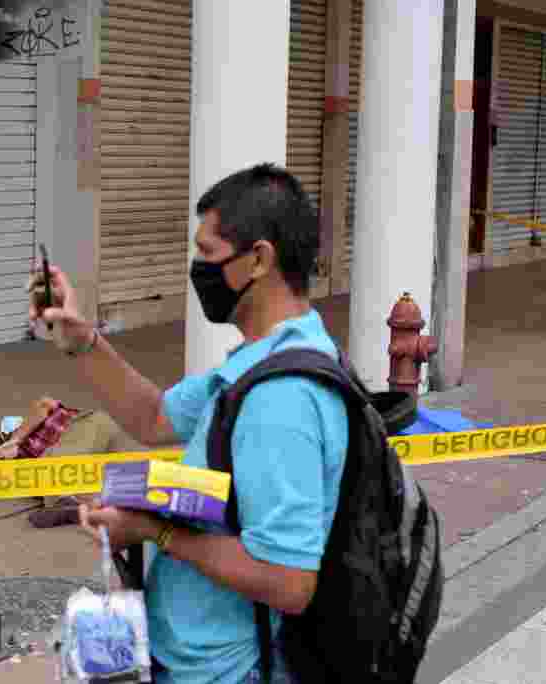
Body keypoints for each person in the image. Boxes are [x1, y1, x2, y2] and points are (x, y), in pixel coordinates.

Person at [28, 163, 349, 684]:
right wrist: (79, 339)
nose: (196, 269)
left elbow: (290, 581)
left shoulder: (282, 399)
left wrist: (154, 531)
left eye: (207, 253)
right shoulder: (258, 363)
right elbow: (154, 417)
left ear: (259, 259)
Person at [0, 396, 146, 528]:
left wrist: (17, 438)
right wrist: (10, 458)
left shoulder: (44, 415)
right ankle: (87, 510)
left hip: (87, 433)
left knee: (58, 463)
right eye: (4, 436)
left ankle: (68, 505)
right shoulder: (20, 457)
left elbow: (45, 403)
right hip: (83, 463)